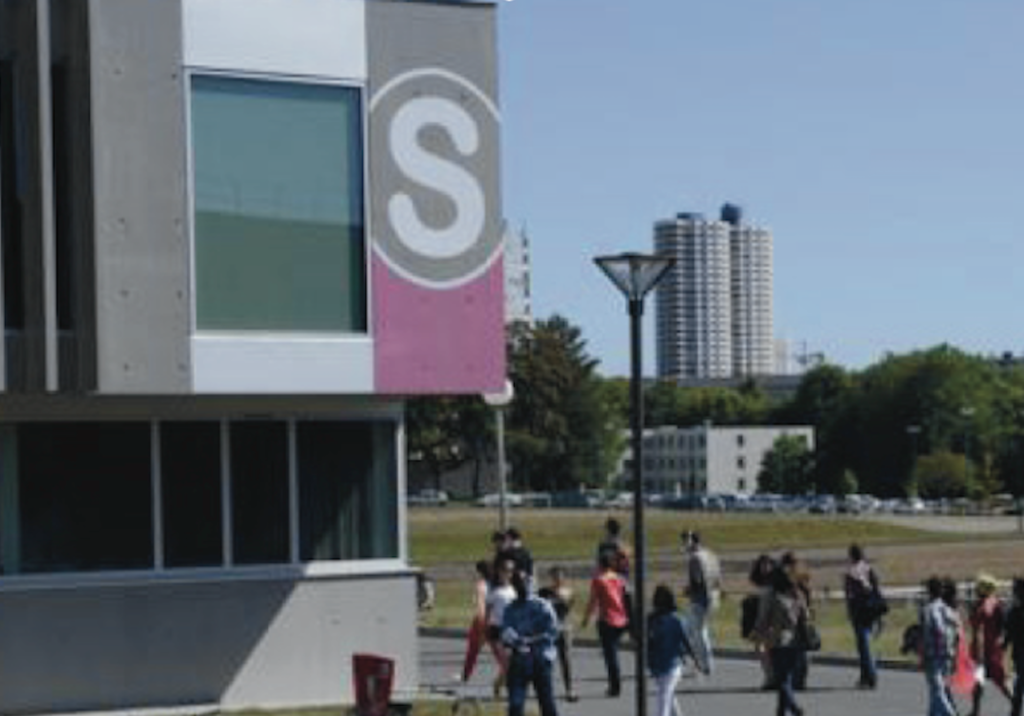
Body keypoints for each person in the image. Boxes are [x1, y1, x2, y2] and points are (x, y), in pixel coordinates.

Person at [501, 568, 561, 716]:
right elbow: (506, 632)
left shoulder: (542, 605)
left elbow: (552, 631)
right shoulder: (510, 608)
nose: (521, 585)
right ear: (513, 586)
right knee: (515, 705)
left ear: (530, 583)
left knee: (547, 703)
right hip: (520, 660)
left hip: (541, 658)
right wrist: (514, 640)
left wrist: (530, 640)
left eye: (523, 582)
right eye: (516, 583)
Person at [754, 562, 809, 716]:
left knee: (781, 680)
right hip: (795, 640)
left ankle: (795, 708)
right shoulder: (797, 593)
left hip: (777, 641)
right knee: (786, 678)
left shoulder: (771, 596)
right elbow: (806, 615)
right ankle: (780, 712)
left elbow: (763, 619)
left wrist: (757, 635)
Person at [648, 584, 705, 716]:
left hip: (672, 666)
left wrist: (697, 661)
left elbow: (687, 642)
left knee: (664, 697)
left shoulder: (676, 620)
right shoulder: (653, 619)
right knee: (668, 696)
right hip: (657, 666)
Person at [581, 551, 630, 697]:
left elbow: (593, 601)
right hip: (622, 618)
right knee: (613, 653)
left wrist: (586, 618)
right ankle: (615, 684)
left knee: (611, 655)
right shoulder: (620, 579)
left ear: (600, 564)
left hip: (607, 619)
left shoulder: (599, 580)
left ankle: (614, 686)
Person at [968, 573, 1011, 716]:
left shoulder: (991, 605)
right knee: (978, 682)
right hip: (986, 649)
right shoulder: (985, 604)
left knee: (1000, 681)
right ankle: (975, 711)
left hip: (989, 650)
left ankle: (1015, 704)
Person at [844, 544, 884, 689]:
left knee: (864, 644)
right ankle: (864, 676)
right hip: (871, 609)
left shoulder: (851, 572)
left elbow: (849, 595)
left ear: (852, 555)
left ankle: (871, 676)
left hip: (859, 610)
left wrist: (849, 611)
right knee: (865, 643)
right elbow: (877, 590)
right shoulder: (869, 569)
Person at [682, 529, 721, 674]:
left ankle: (705, 664)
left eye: (686, 540)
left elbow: (697, 581)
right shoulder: (711, 554)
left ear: (691, 541)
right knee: (694, 629)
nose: (684, 544)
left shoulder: (694, 558)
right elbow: (717, 577)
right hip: (713, 597)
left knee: (697, 631)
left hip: (700, 599)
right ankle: (702, 662)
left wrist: (688, 589)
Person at [920, 575, 960, 716]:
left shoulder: (929, 609)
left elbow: (936, 630)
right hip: (948, 653)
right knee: (936, 689)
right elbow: (956, 628)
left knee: (938, 690)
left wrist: (926, 651)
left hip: (935, 653)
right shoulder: (947, 608)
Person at [537, 566, 578, 702]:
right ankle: (545, 690)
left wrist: (561, 598)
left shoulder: (569, 592)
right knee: (546, 661)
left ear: (564, 578)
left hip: (564, 629)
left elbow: (567, 610)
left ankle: (569, 689)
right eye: (555, 576)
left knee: (566, 660)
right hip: (548, 631)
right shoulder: (543, 592)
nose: (557, 579)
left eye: (560, 576)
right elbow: (539, 609)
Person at [484, 559, 516, 698]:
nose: (508, 573)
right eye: (505, 570)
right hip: (496, 629)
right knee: (507, 663)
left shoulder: (514, 589)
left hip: (512, 630)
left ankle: (498, 684)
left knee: (512, 663)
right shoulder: (494, 590)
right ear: (499, 572)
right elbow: (487, 611)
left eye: (510, 571)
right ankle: (505, 687)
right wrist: (484, 631)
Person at [745, 554, 777, 689]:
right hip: (766, 621)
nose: (765, 567)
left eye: (768, 564)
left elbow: (765, 608)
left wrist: (757, 627)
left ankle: (770, 678)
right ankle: (770, 677)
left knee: (763, 649)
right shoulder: (763, 583)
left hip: (771, 622)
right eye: (762, 564)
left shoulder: (772, 584)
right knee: (763, 650)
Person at [460, 560, 494, 683]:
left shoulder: (480, 585)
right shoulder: (496, 584)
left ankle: (465, 676)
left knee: (472, 651)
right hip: (495, 619)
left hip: (481, 620)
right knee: (499, 651)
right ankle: (507, 673)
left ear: (479, 572)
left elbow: (480, 606)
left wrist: (482, 626)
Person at [1003, 578, 1024, 716]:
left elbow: (1008, 632)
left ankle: (1015, 711)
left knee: (1019, 683)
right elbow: (1009, 632)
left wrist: (1005, 644)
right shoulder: (1013, 611)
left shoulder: (1013, 612)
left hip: (1020, 652)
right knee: (1019, 683)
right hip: (1019, 653)